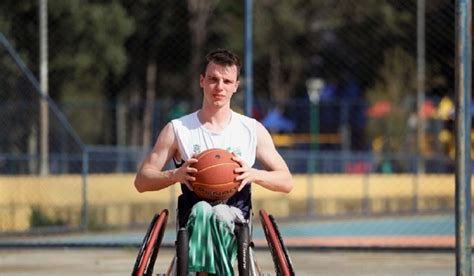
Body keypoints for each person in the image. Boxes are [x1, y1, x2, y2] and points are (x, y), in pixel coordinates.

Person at [134, 48, 293, 275]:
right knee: (202, 210)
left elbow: (286, 181)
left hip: (235, 217)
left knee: (220, 214)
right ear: (202, 81)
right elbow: (142, 180)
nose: (220, 87)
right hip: (193, 218)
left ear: (236, 85)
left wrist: (253, 174)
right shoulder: (178, 129)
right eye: (213, 79)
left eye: (227, 81)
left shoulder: (251, 130)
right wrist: (175, 175)